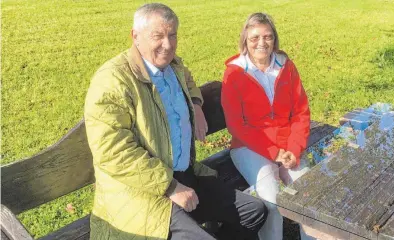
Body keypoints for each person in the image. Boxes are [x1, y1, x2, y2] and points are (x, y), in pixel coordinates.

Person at [84, 3, 267, 240]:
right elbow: (112, 152)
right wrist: (170, 187)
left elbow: (188, 79)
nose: (167, 45)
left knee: (254, 211)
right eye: (158, 36)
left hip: (184, 174)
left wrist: (196, 104)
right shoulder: (112, 81)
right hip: (141, 195)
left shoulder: (172, 66)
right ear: (135, 36)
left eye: (172, 35)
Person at [221, 12, 313, 240]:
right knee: (271, 203)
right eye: (254, 38)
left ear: (274, 39)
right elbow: (236, 125)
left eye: (267, 37)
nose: (261, 43)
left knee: (310, 194)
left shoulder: (286, 67)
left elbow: (301, 112)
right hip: (248, 147)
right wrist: (274, 152)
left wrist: (294, 148)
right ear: (245, 40)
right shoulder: (234, 73)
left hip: (287, 146)